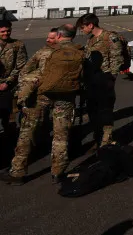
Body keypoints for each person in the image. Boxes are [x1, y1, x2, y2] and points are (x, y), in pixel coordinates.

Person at [1, 24, 83, 185]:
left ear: (59, 36)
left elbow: (25, 72)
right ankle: (58, 172)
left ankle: (17, 172)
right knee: (61, 136)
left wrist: (24, 93)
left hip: (40, 97)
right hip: (66, 98)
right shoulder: (80, 51)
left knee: (26, 134)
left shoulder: (44, 52)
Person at [75, 13, 125, 147]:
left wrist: (111, 78)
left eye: (83, 27)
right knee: (93, 110)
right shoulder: (91, 39)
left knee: (105, 111)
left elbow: (117, 59)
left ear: (90, 25)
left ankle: (106, 141)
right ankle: (98, 138)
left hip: (105, 79)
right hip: (92, 80)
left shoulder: (110, 37)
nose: (82, 30)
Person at [0, 19, 27, 164]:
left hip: (9, 88)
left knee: (10, 120)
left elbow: (21, 66)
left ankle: (10, 151)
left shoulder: (18, 45)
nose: (6, 33)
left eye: (8, 30)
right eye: (2, 31)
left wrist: (8, 82)